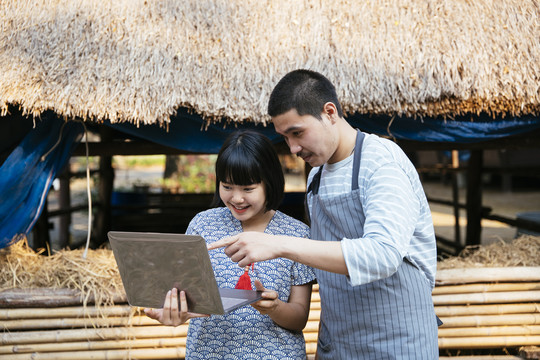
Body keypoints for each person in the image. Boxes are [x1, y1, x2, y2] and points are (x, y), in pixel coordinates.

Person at [209, 69, 440, 359]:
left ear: (329, 112)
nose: (292, 148)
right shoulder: (317, 175)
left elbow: (383, 254)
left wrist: (279, 244)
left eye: (298, 133)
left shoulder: (381, 164)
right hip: (338, 341)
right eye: (285, 137)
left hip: (395, 341)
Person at [145, 129, 316, 360]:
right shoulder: (202, 226)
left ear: (270, 183)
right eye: (227, 186)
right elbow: (185, 296)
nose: (236, 198)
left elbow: (299, 318)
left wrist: (274, 307)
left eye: (248, 189)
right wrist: (176, 313)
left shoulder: (297, 234)